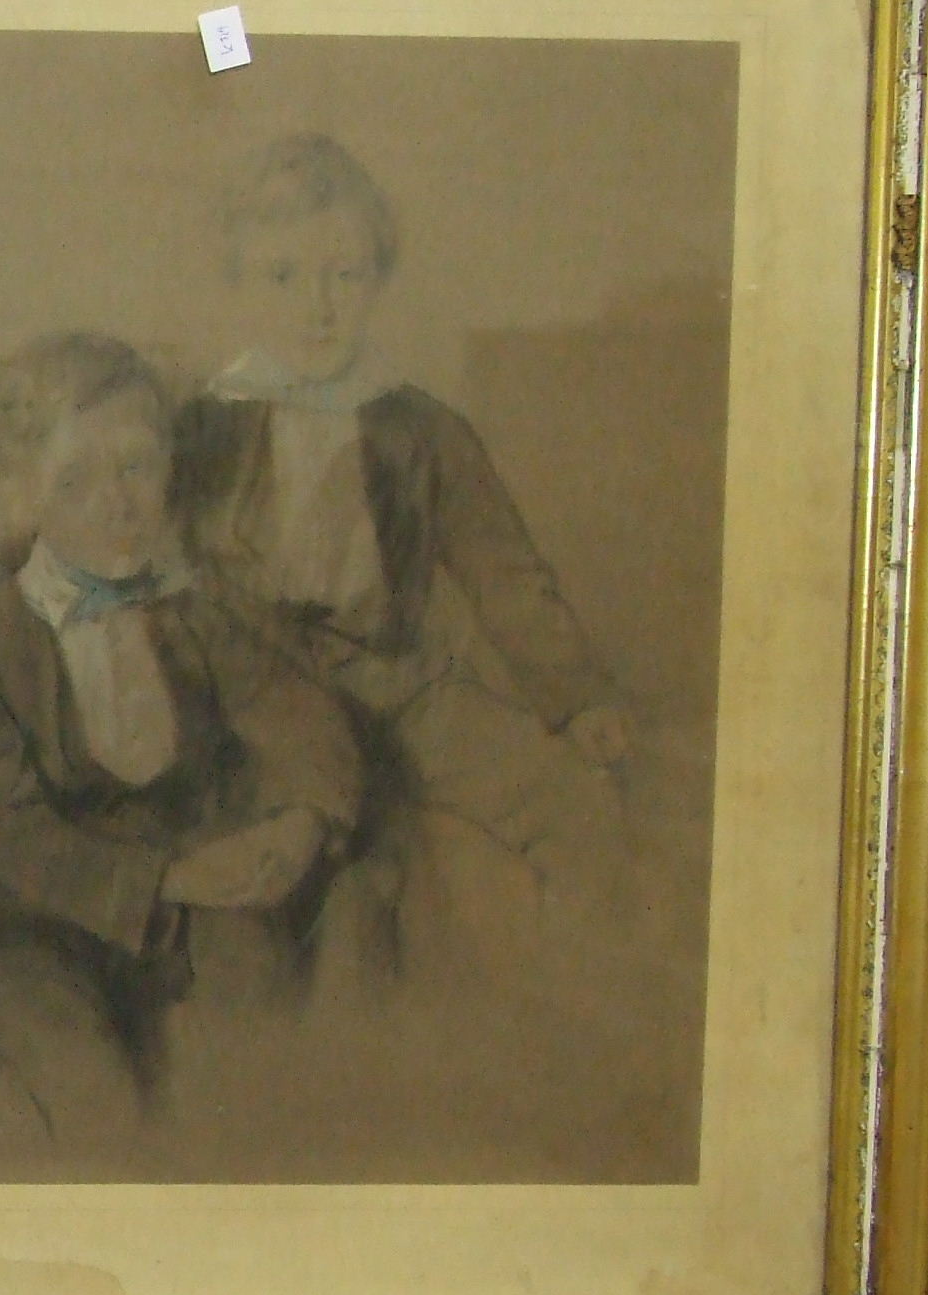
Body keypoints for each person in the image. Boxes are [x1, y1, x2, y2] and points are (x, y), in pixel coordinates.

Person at [171, 133, 632, 924]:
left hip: (406, 691)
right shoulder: (201, 428)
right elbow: (97, 528)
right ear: (238, 283)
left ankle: (567, 1009)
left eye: (343, 275)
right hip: (259, 696)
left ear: (377, 279)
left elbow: (505, 574)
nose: (317, 307)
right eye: (283, 277)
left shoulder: (420, 428)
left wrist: (577, 694)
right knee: (298, 880)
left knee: (577, 805)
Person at [0, 331, 362, 1126]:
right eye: (76, 479)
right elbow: (8, 834)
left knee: (254, 1065)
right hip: (19, 913)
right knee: (98, 1100)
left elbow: (300, 718)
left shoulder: (199, 603)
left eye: (138, 464)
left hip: (180, 891)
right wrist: (167, 880)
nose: (118, 501)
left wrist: (300, 823)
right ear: (25, 494)